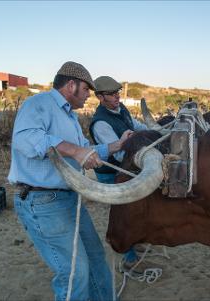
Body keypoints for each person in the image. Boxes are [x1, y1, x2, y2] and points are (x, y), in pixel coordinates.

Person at [8, 62, 131, 301]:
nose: (89, 96)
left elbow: (86, 150)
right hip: (42, 201)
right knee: (75, 272)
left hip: (69, 198)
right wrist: (74, 151)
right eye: (86, 90)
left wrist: (118, 145)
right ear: (71, 85)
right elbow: (25, 139)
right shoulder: (38, 104)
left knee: (96, 260)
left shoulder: (71, 118)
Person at [88, 76, 149, 273]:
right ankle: (130, 259)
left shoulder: (121, 110)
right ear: (99, 97)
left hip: (128, 169)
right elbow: (120, 154)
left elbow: (135, 126)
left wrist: (154, 132)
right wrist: (146, 150)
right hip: (111, 173)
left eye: (117, 93)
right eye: (112, 94)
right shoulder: (100, 124)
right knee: (124, 216)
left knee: (136, 210)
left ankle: (136, 242)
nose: (117, 97)